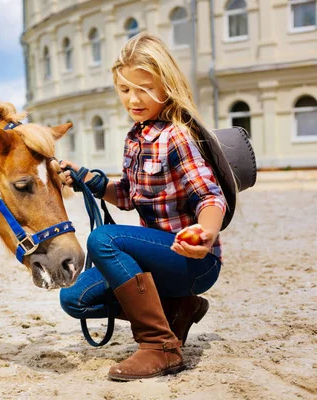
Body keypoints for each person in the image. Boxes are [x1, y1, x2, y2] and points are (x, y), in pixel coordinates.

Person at [59, 32, 227, 381]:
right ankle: (180, 307)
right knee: (75, 299)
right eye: (124, 89)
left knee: (103, 239)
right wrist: (90, 180)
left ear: (167, 85)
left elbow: (210, 196)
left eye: (144, 89)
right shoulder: (136, 137)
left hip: (192, 261)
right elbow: (129, 196)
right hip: (155, 261)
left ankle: (160, 346)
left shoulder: (177, 135)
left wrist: (206, 232)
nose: (133, 99)